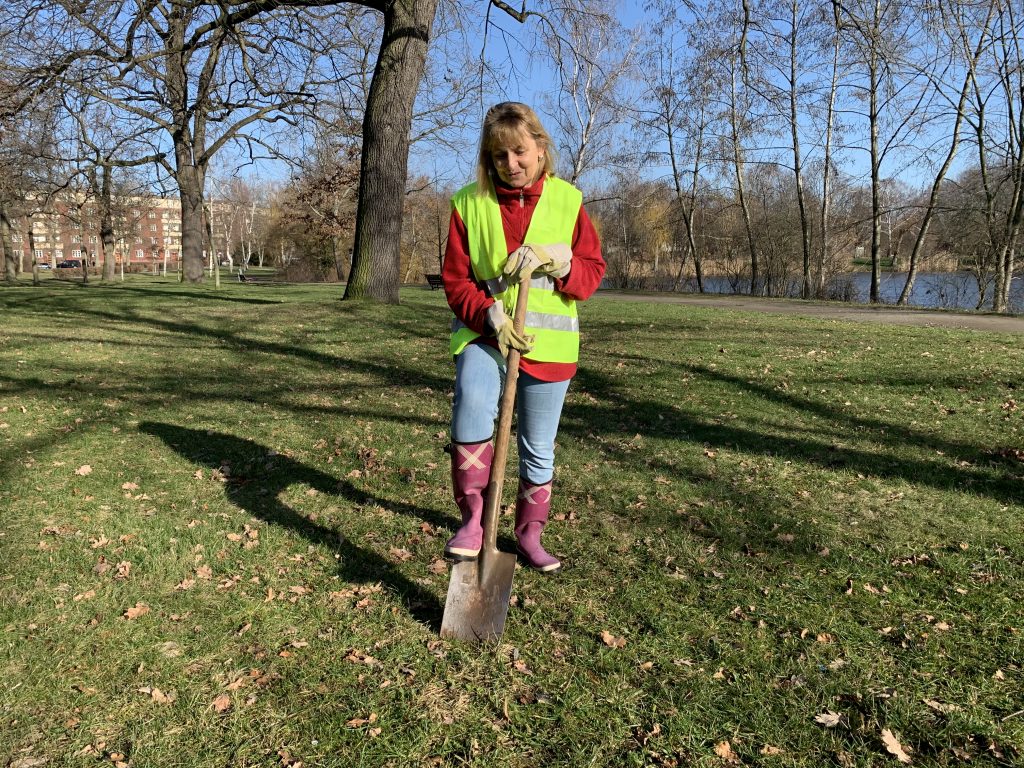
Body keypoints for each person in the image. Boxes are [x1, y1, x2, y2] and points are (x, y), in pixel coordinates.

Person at [441, 102, 605, 573]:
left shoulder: (568, 201)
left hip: (547, 349)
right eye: (498, 156)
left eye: (519, 152)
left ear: (540, 147)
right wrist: (490, 316)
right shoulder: (467, 203)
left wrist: (564, 262)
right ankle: (474, 516)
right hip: (486, 335)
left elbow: (592, 275)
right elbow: (457, 281)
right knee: (472, 403)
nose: (510, 165)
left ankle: (530, 533)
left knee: (538, 444)